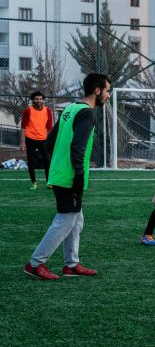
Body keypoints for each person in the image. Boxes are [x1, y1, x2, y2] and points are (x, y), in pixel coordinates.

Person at [23, 73, 111, 280]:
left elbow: (49, 141)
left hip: (61, 173)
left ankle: (71, 264)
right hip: (69, 176)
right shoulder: (87, 113)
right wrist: (78, 174)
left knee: (76, 219)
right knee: (66, 219)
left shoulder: (71, 109)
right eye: (107, 90)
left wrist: (58, 164)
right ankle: (36, 263)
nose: (108, 95)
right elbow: (77, 148)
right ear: (97, 90)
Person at [20, 91, 53, 190]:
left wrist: (50, 141)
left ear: (43, 100)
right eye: (36, 99)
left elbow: (49, 128)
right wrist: (22, 143)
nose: (39, 101)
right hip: (30, 139)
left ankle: (49, 182)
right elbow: (23, 127)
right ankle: (34, 183)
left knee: (47, 160)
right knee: (31, 161)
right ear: (33, 100)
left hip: (43, 139)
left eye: (40, 99)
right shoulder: (28, 110)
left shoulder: (48, 111)